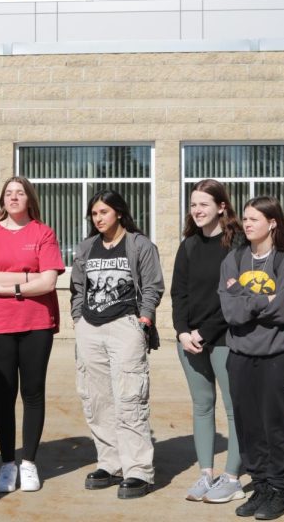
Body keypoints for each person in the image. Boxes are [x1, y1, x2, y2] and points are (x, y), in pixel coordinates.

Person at [70, 189, 165, 499]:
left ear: (119, 213)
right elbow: (76, 288)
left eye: (104, 212)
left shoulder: (140, 245)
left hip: (126, 326)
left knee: (130, 398)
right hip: (90, 329)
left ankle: (138, 469)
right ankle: (110, 464)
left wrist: (144, 320)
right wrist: (78, 320)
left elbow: (152, 286)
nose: (98, 218)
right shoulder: (87, 248)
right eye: (94, 214)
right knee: (96, 399)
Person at [0, 176, 65, 493]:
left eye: (20, 193)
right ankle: (6, 464)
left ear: (29, 199)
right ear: (2, 200)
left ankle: (28, 463)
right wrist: (29, 278)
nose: (14, 197)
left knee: (33, 391)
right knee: (4, 392)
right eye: (9, 193)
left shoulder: (43, 232)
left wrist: (11, 286)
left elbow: (49, 282)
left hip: (37, 322)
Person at [218, 196, 284, 520]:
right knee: (248, 426)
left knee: (277, 426)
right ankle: (261, 485)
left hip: (278, 356)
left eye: (255, 219)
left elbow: (283, 311)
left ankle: (279, 489)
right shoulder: (234, 260)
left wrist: (247, 298)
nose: (247, 223)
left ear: (272, 223)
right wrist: (261, 299)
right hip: (240, 354)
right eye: (246, 218)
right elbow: (230, 311)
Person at [171, 179, 248, 503]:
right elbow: (179, 293)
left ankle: (231, 477)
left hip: (224, 339)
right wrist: (183, 332)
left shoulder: (237, 244)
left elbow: (236, 295)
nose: (197, 210)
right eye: (193, 205)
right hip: (191, 341)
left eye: (204, 204)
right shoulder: (188, 245)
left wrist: (205, 331)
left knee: (234, 410)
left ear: (221, 206)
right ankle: (206, 475)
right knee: (202, 406)